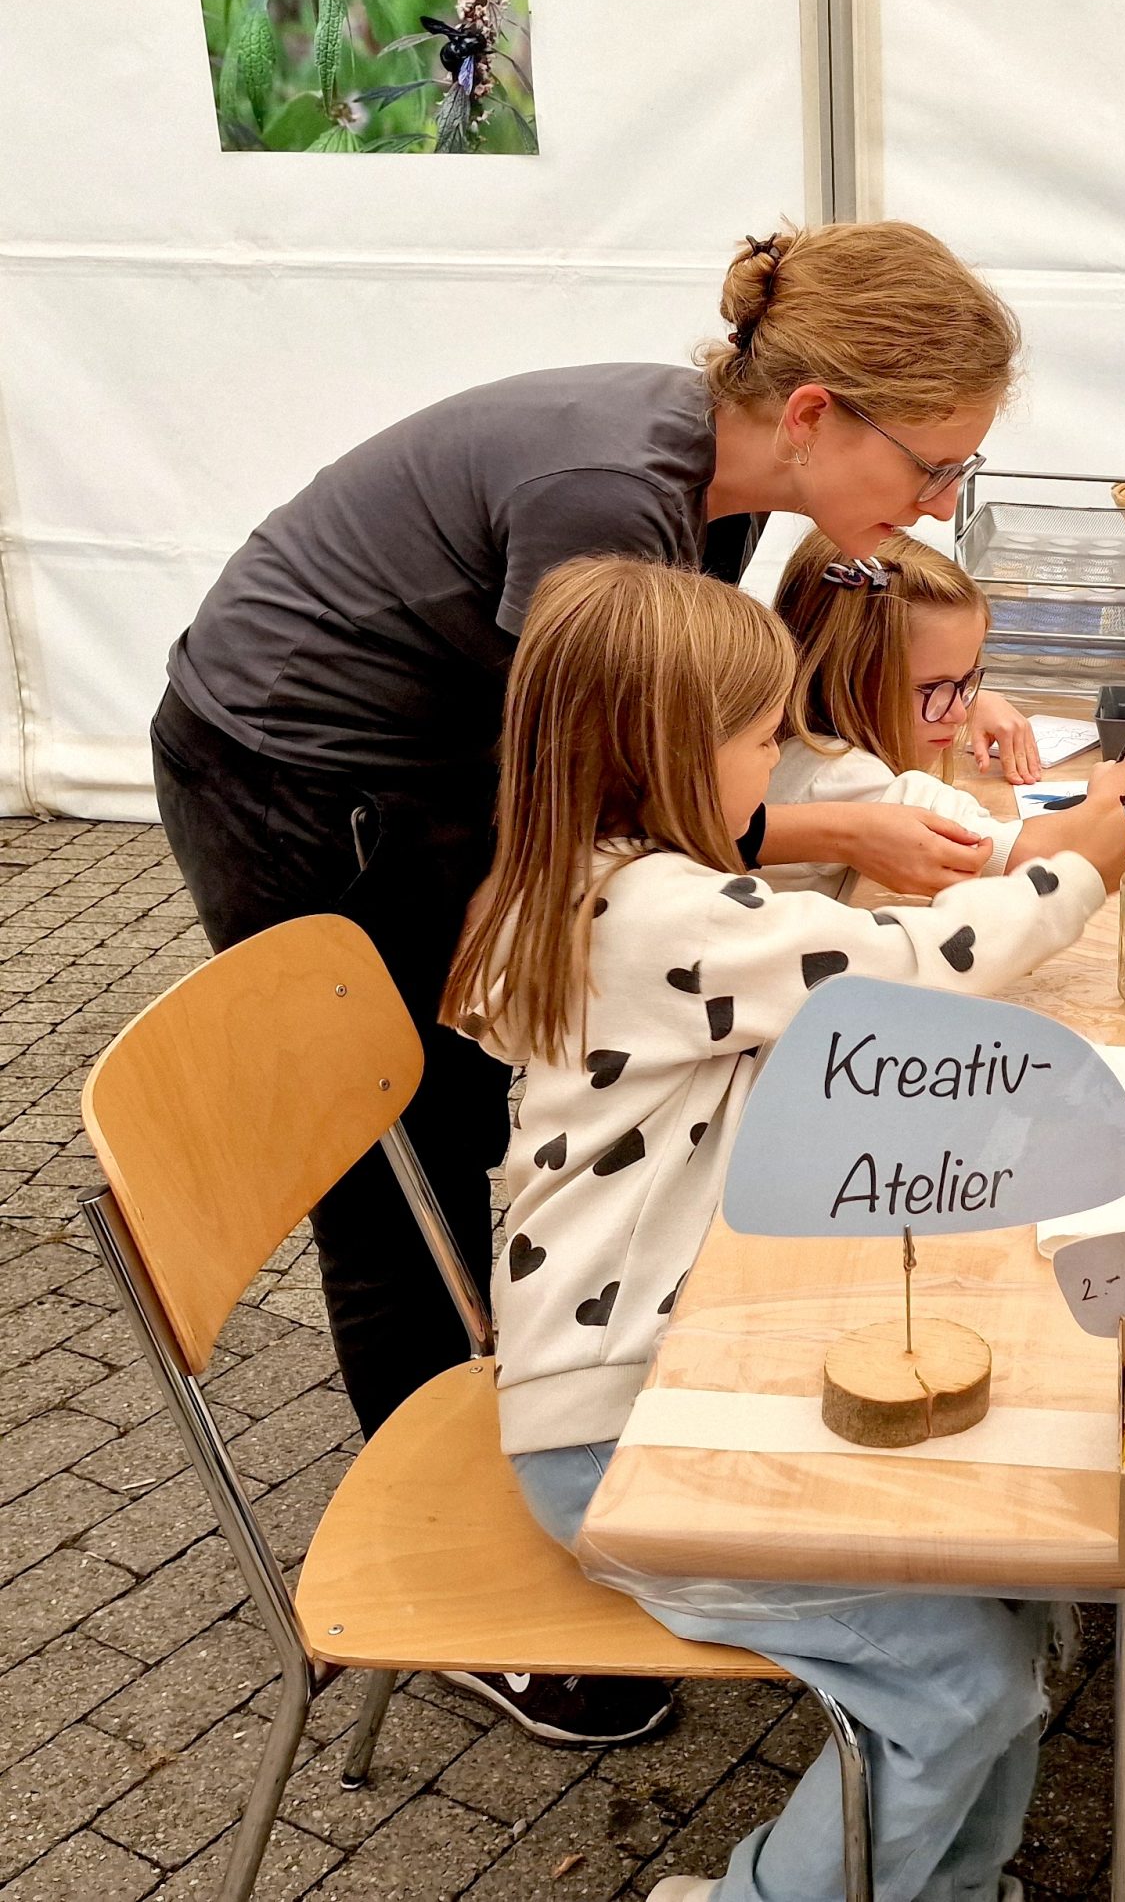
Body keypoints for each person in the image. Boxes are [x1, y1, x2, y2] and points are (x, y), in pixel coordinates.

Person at [151, 221, 1040, 1743]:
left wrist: (913, 714)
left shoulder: (713, 480)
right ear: (817, 414)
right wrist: (843, 831)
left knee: (512, 1078)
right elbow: (600, 784)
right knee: (406, 1145)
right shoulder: (609, 494)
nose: (941, 501)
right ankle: (495, 1537)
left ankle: (569, 1380)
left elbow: (688, 737)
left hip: (427, 771)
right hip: (304, 775)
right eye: (935, 466)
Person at [443, 555, 1117, 1902]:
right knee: (962, 1678)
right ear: (672, 751)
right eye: (764, 740)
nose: (783, 772)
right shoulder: (657, 913)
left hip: (679, 1382)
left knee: (1009, 1601)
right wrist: (1077, 870)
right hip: (621, 1438)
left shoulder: (613, 878)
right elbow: (911, 963)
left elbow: (830, 959)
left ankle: (949, 1885)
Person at [763, 529, 1125, 895]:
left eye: (965, 682)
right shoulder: (839, 777)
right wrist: (1113, 801)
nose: (958, 713)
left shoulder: (789, 750)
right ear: (843, 677)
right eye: (935, 688)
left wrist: (961, 696)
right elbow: (1027, 863)